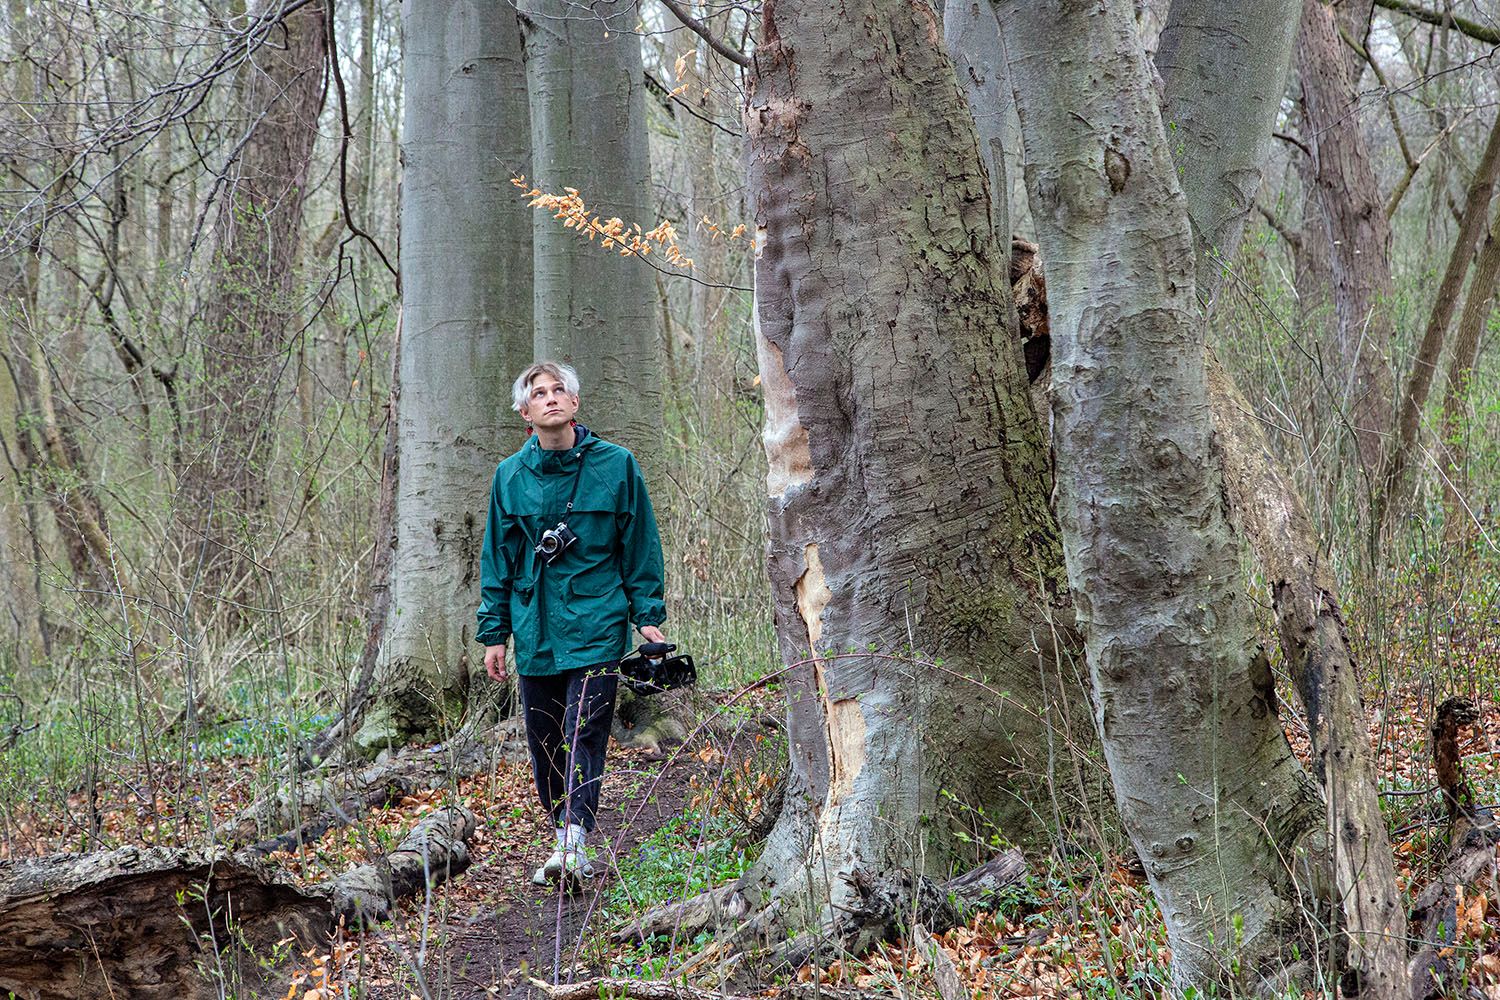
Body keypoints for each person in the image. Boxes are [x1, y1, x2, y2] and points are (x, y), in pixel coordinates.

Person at [476, 361, 668, 887]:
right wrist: (494, 632)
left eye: (560, 390)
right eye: (539, 393)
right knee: (544, 742)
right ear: (525, 413)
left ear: (575, 404)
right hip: (534, 628)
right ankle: (563, 833)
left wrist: (648, 618)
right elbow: (497, 558)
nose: (551, 398)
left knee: (584, 729)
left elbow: (640, 546)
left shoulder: (617, 466)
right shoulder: (509, 477)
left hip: (597, 624)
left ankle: (574, 840)